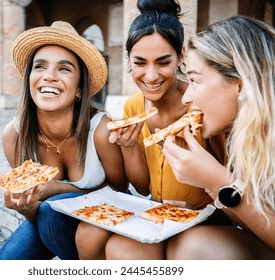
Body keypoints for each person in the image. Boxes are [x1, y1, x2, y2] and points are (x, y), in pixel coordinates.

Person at [75, 0, 228, 260]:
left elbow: (231, 178)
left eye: (163, 62)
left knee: (121, 249)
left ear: (181, 56)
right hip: (158, 211)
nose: (151, 75)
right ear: (129, 61)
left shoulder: (202, 107)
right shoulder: (134, 106)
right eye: (140, 62)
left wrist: (203, 204)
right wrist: (130, 146)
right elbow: (143, 187)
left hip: (207, 216)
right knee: (87, 234)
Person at [160, 16, 275, 259]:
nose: (186, 98)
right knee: (189, 241)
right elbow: (260, 224)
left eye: (194, 80)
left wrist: (220, 182)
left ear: (241, 84)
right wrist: (210, 183)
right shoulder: (243, 137)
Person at [0, 21, 129, 260]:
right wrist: (26, 209)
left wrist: (60, 188)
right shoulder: (13, 136)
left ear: (79, 89)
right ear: (30, 80)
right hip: (47, 221)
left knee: (50, 210)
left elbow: (120, 190)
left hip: (99, 222)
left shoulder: (100, 130)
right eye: (40, 66)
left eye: (64, 69)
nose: (49, 76)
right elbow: (36, 212)